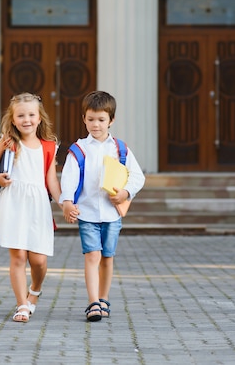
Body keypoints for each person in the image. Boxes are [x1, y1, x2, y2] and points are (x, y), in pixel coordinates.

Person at [60, 91, 145, 322]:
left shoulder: (120, 149)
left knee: (107, 257)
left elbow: (137, 176)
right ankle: (93, 302)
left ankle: (104, 299)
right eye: (90, 119)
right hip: (87, 213)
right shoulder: (79, 149)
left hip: (112, 214)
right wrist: (67, 202)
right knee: (92, 256)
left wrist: (126, 192)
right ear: (83, 119)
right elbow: (69, 178)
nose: (95, 124)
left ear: (111, 120)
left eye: (101, 119)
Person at [0, 92, 61, 323]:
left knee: (38, 260)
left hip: (37, 204)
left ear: (39, 118)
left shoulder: (49, 147)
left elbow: (51, 180)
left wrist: (64, 203)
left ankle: (35, 291)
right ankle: (21, 305)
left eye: (31, 115)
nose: (26, 119)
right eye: (21, 115)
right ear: (13, 119)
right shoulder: (8, 142)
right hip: (13, 203)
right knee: (18, 256)